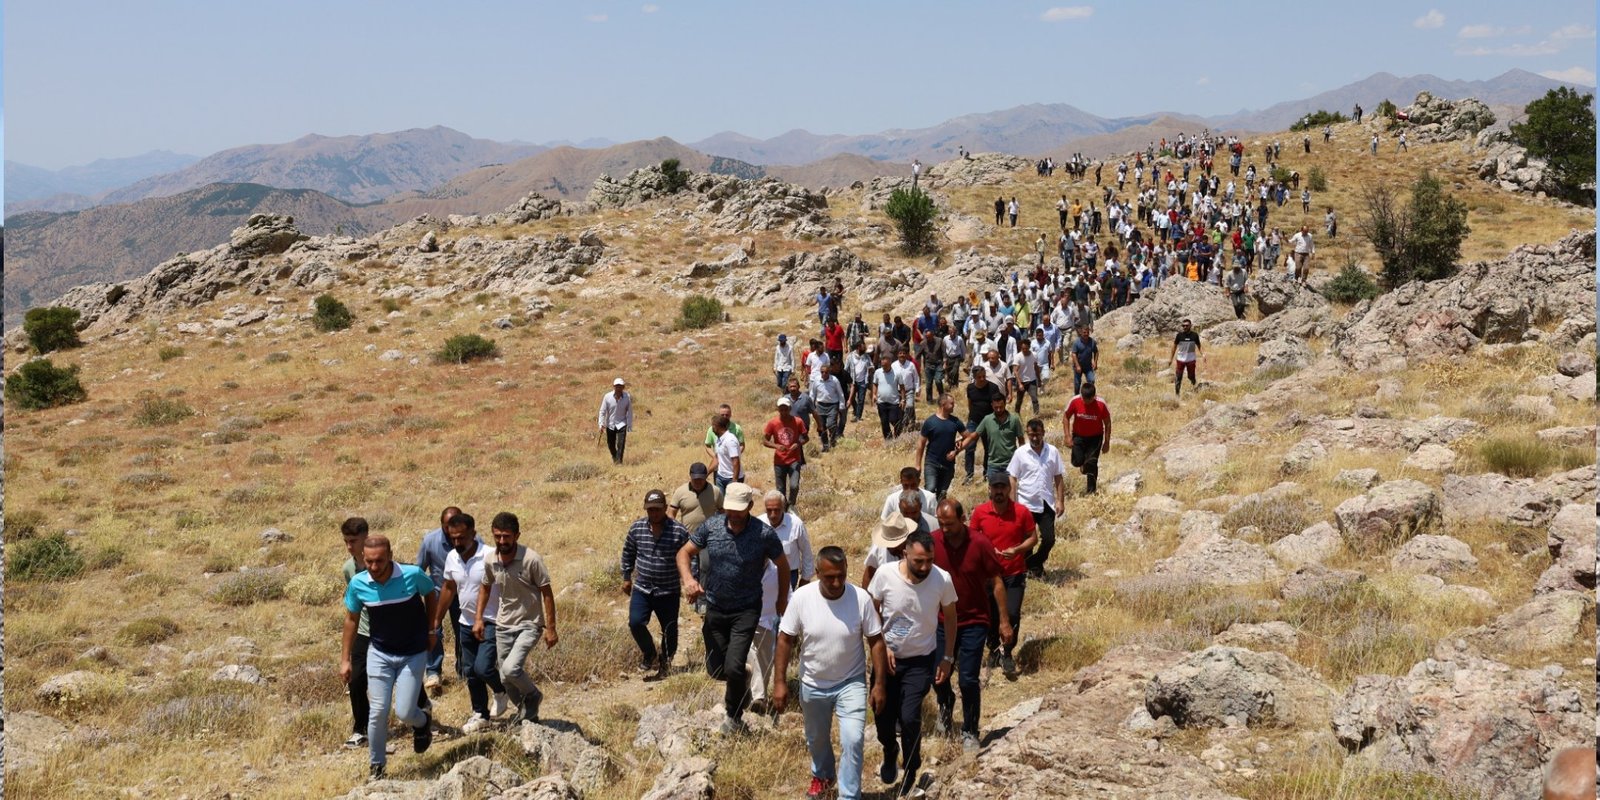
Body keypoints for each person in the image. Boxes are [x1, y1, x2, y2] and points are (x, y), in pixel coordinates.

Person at [771, 547, 889, 800]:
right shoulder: (802, 597)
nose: (836, 583)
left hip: (851, 681)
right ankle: (823, 775)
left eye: (841, 576)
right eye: (829, 577)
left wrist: (879, 684)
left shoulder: (861, 599)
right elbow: (784, 640)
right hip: (813, 683)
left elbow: (876, 641)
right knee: (816, 739)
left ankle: (848, 795)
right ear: (817, 573)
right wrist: (779, 682)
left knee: (853, 739)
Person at [676, 483, 791, 735]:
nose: (734, 515)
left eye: (740, 510)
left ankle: (734, 716)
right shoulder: (712, 526)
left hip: (746, 610)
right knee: (717, 668)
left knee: (733, 666)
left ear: (750, 507)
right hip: (715, 607)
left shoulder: (763, 534)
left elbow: (783, 565)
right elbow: (684, 553)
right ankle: (743, 676)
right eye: (730, 510)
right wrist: (688, 580)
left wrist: (782, 597)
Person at [867, 530, 957, 796]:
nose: (925, 566)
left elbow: (951, 617)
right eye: (919, 560)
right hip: (886, 660)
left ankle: (911, 768)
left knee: (909, 717)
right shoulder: (885, 574)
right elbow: (870, 610)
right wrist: (882, 645)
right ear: (905, 552)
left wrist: (948, 657)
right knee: (882, 716)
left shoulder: (942, 579)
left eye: (929, 560)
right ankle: (889, 749)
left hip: (921, 660)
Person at [342, 535, 438, 779]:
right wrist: (345, 660)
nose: (375, 567)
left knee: (405, 712)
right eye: (370, 561)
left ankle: (422, 722)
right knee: (378, 711)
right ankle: (377, 767)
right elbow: (351, 620)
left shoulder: (412, 574)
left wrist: (431, 629)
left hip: (412, 653)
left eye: (380, 561)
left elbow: (431, 594)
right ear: (364, 558)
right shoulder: (358, 583)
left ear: (390, 557)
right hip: (380, 653)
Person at [930, 499, 1013, 752]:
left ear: (963, 518)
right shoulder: (932, 541)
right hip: (942, 621)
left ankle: (970, 730)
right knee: (938, 675)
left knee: (967, 678)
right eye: (941, 524)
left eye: (950, 524)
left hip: (974, 621)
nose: (945, 529)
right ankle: (946, 704)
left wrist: (1005, 621)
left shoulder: (979, 543)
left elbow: (996, 582)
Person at [474, 512, 558, 725]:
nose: (502, 541)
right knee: (504, 678)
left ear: (517, 535)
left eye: (506, 536)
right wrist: (478, 619)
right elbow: (485, 587)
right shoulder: (491, 559)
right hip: (503, 625)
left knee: (511, 669)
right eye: (497, 536)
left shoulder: (531, 559)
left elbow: (547, 593)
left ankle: (533, 696)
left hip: (529, 623)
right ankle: (527, 715)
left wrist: (551, 628)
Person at [432, 513, 508, 732]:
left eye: (461, 538)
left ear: (473, 534)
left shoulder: (490, 556)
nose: (457, 542)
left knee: (483, 667)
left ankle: (501, 691)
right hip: (465, 621)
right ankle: (480, 713)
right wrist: (437, 618)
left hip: (492, 620)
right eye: (453, 537)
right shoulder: (452, 558)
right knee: (470, 671)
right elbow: (448, 587)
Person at [969, 476, 1037, 679]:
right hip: (988, 575)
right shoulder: (980, 512)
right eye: (995, 487)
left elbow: (1033, 538)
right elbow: (971, 538)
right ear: (989, 489)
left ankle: (1007, 652)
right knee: (990, 615)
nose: (999, 491)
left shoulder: (1021, 511)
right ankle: (993, 649)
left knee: (1013, 614)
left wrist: (1017, 550)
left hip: (1014, 572)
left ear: (1009, 488)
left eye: (1002, 487)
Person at [622, 490, 690, 680]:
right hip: (643, 588)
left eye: (657, 510)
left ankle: (665, 663)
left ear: (665, 508)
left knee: (670, 630)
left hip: (668, 591)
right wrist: (626, 576)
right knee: (635, 622)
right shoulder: (637, 528)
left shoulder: (678, 531)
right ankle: (649, 652)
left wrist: (690, 580)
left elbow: (690, 557)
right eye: (650, 510)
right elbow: (628, 552)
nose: (654, 514)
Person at [413, 506, 462, 695]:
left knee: (463, 632)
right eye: (446, 526)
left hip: (463, 595)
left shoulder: (472, 540)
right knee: (433, 630)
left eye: (455, 525)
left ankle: (464, 672)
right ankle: (433, 672)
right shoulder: (430, 541)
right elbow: (419, 568)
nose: (451, 531)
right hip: (436, 595)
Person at [1010, 419, 1067, 579]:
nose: (1034, 438)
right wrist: (1013, 503)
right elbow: (1013, 478)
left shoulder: (1053, 452)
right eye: (1031, 435)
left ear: (1043, 433)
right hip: (1025, 503)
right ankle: (1031, 570)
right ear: (1027, 434)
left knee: (1049, 539)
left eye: (1037, 434)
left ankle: (1033, 563)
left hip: (1046, 502)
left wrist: (1060, 500)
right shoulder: (1020, 453)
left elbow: (1058, 477)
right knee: (1027, 541)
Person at [339, 518, 373, 749]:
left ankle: (421, 707)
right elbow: (352, 610)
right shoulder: (348, 569)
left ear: (365, 538)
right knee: (357, 679)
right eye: (346, 542)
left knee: (401, 675)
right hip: (364, 631)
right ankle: (361, 728)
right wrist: (345, 658)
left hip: (389, 631)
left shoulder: (382, 560)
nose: (350, 546)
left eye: (354, 541)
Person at [961, 393, 1024, 487]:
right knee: (993, 495)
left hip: (1011, 464)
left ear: (1005, 404)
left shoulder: (1014, 420)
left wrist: (1023, 460)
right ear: (992, 406)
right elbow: (973, 436)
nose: (998, 410)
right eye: (996, 407)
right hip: (993, 465)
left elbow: (1021, 441)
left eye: (1001, 407)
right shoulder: (987, 419)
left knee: (1011, 494)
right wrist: (958, 449)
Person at [1062, 382, 1111, 494]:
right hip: (1079, 436)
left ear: (1094, 396)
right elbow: (1066, 417)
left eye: (1089, 400)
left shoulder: (1101, 404)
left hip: (1095, 438)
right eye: (1085, 399)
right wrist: (1067, 436)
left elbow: (1107, 423)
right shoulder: (1074, 401)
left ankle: (1091, 491)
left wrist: (1107, 442)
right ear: (1081, 395)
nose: (1087, 402)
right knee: (1077, 461)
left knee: (1092, 463)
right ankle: (1083, 465)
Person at [915, 394, 965, 501]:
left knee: (942, 494)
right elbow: (921, 444)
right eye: (951, 403)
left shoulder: (955, 422)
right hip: (932, 462)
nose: (953, 405)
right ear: (943, 404)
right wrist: (918, 465)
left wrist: (957, 450)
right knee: (930, 489)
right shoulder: (930, 422)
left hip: (948, 465)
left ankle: (939, 515)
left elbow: (968, 437)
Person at [961, 366, 1006, 485]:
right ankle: (969, 475)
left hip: (989, 422)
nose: (982, 379)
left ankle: (987, 473)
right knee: (969, 447)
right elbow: (970, 404)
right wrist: (971, 416)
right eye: (979, 377)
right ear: (974, 377)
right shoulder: (970, 388)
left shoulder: (993, 388)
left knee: (989, 448)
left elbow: (997, 404)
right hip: (974, 421)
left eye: (984, 376)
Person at [764, 395, 809, 506]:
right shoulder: (773, 423)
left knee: (794, 486)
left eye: (786, 409)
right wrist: (776, 446)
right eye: (781, 409)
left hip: (794, 459)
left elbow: (806, 438)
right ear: (778, 409)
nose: (783, 412)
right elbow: (765, 441)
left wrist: (798, 444)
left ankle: (791, 505)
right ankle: (783, 509)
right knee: (780, 489)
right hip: (779, 460)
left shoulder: (797, 421)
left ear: (790, 409)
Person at [597, 377, 633, 465]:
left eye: (620, 386)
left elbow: (630, 411)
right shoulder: (607, 397)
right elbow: (602, 411)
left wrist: (629, 424)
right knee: (611, 444)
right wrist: (601, 424)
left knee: (621, 444)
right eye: (617, 386)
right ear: (614, 387)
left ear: (623, 387)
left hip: (622, 423)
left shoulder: (627, 397)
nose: (618, 388)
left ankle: (619, 462)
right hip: (610, 424)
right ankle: (615, 457)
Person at [811, 364, 846, 451]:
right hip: (820, 405)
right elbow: (812, 394)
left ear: (829, 372)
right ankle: (825, 445)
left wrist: (841, 405)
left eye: (826, 372)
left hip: (832, 405)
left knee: (831, 425)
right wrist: (811, 406)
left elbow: (840, 393)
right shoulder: (817, 380)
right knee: (821, 427)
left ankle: (833, 439)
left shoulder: (834, 380)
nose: (824, 374)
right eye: (822, 372)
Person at [872, 354, 905, 441]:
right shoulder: (878, 372)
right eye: (882, 365)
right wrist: (874, 394)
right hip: (881, 402)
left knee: (894, 420)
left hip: (893, 402)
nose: (884, 367)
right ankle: (888, 440)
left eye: (885, 365)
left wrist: (903, 399)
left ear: (890, 363)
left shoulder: (897, 373)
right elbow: (875, 384)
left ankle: (897, 437)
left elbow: (902, 387)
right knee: (884, 422)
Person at [711, 413, 743, 492]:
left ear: (717, 426)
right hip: (720, 476)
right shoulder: (719, 439)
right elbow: (717, 458)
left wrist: (734, 481)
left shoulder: (730, 440)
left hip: (731, 478)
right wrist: (706, 474)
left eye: (713, 426)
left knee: (731, 503)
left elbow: (736, 461)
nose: (712, 428)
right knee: (720, 502)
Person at [1171, 319, 1203, 396]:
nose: (1185, 327)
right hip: (1180, 360)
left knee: (1191, 376)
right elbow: (1174, 347)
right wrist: (1170, 359)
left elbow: (1199, 346)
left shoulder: (1195, 335)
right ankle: (1177, 395)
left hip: (1191, 360)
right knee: (1178, 377)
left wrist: (1203, 354)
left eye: (1186, 325)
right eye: (1183, 325)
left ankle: (1195, 388)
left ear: (1190, 326)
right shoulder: (1179, 335)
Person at [845, 340, 874, 423]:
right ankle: (855, 410)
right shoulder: (850, 356)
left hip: (863, 381)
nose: (864, 348)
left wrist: (871, 368)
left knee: (861, 399)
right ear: (858, 347)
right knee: (852, 398)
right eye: (863, 346)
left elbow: (871, 365)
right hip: (853, 381)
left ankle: (858, 416)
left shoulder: (866, 357)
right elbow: (846, 369)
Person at [1009, 338, 1041, 415]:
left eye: (1026, 348)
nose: (1024, 350)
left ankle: (1036, 415)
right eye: (1023, 348)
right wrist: (1019, 384)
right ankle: (1017, 414)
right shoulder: (1018, 357)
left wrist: (1039, 379)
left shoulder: (1034, 355)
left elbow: (1036, 367)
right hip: (1022, 381)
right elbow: (1015, 371)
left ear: (1029, 347)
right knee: (1019, 400)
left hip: (1032, 380)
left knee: (1035, 398)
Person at [1069, 325, 1098, 396]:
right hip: (1078, 366)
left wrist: (1095, 362)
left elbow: (1096, 352)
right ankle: (1076, 396)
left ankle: (1090, 396)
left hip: (1088, 366)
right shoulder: (1076, 342)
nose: (1086, 334)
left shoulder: (1092, 342)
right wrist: (1077, 365)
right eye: (1084, 332)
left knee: (1091, 380)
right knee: (1077, 383)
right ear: (1081, 333)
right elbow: (1074, 354)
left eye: (1087, 332)